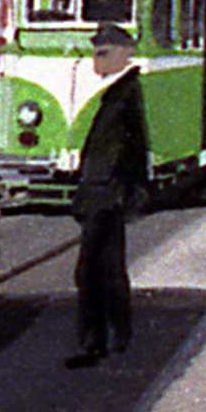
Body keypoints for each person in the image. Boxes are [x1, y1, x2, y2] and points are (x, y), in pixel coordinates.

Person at [68, 21, 150, 369]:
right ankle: (120, 336)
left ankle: (95, 343)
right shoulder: (120, 94)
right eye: (94, 53)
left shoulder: (126, 94)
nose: (95, 62)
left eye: (103, 53)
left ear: (126, 53)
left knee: (88, 271)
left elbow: (131, 151)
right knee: (110, 268)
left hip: (106, 197)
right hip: (106, 195)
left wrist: (119, 194)